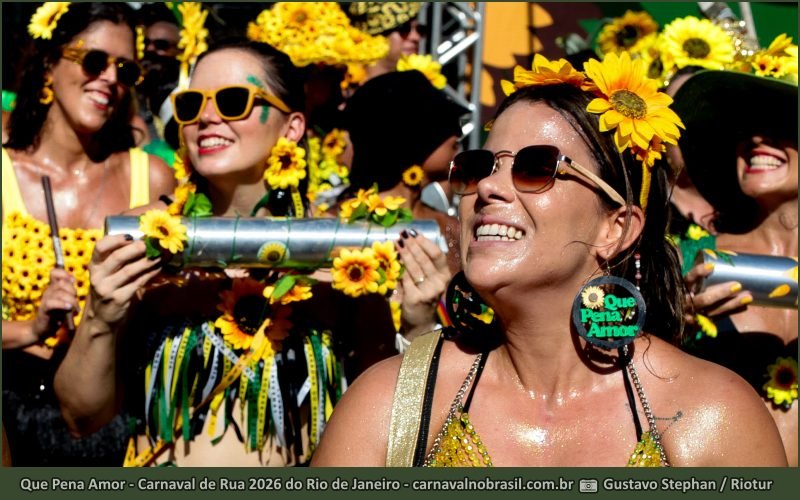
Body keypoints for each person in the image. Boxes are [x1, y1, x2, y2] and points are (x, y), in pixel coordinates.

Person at [311, 53, 787, 466]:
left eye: (536, 167)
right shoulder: (390, 404)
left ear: (615, 228)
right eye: (481, 167)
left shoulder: (712, 418)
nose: (489, 189)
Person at [54, 39, 397, 467]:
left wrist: (418, 323)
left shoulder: (345, 253)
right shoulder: (145, 236)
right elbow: (80, 417)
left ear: (292, 127)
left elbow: (393, 420)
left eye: (234, 101)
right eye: (192, 104)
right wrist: (100, 317)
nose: (207, 117)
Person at [1, 2, 174, 466]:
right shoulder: (3, 174)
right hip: (11, 417)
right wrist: (28, 329)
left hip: (117, 421)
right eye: (94, 61)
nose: (111, 79)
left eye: (126, 71)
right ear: (48, 64)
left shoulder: (152, 178)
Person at [673, 69, 798, 466]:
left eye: (782, 124)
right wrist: (671, 327)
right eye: (746, 129)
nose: (758, 139)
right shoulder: (687, 258)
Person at [343, 69, 467, 342]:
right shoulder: (343, 228)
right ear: (405, 136)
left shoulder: (451, 228)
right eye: (438, 123)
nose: (457, 132)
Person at [346, 2, 425, 81]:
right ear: (376, 35)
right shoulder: (340, 84)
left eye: (420, 29)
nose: (416, 37)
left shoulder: (420, 86)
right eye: (405, 29)